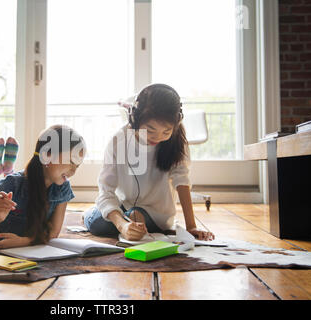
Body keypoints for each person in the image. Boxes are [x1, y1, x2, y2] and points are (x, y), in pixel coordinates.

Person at [83, 83, 215, 241]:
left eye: (166, 131)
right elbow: (106, 190)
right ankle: (91, 214)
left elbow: (182, 181)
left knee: (134, 216)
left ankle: (116, 217)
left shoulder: (177, 141)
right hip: (124, 204)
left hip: (157, 215)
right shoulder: (119, 140)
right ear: (135, 119)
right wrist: (122, 226)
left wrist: (191, 226)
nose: (158, 137)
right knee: (98, 222)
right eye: (150, 130)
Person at [0, 125, 86, 249]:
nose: (73, 171)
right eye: (70, 162)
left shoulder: (62, 187)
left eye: (77, 166)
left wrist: (24, 241)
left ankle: (7, 168)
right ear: (47, 155)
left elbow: (53, 233)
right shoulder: (12, 184)